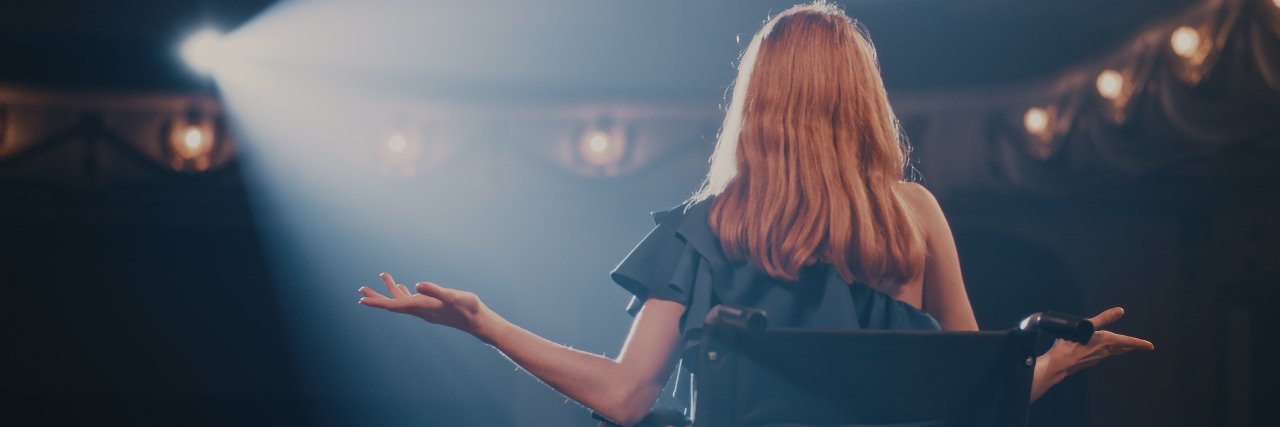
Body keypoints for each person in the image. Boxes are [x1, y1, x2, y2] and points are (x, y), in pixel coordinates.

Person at [357, 3, 1154, 426]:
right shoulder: (914, 216)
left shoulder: (703, 228)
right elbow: (968, 393)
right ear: (861, 99)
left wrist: (489, 325)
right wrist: (1055, 364)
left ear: (757, 103)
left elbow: (626, 396)